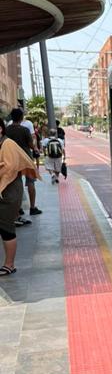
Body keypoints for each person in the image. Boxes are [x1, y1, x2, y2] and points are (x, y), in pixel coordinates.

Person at [0, 117, 39, 276]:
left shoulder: (7, 144)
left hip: (8, 192)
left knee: (6, 227)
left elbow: (10, 167)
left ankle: (9, 265)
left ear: (1, 128)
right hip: (4, 189)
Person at [4, 108, 41, 217]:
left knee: (16, 183)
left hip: (12, 158)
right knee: (30, 182)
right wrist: (35, 145)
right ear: (21, 118)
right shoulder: (25, 130)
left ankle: (18, 209)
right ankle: (32, 207)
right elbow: (31, 145)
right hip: (25, 158)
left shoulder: (7, 130)